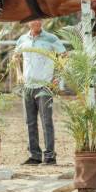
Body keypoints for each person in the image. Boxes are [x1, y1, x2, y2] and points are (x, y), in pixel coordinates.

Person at [13, 20, 66, 165]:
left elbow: (64, 56)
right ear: (28, 22)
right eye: (33, 19)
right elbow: (15, 56)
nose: (37, 22)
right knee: (30, 121)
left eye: (39, 19)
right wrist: (18, 73)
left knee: (46, 121)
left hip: (45, 86)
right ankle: (34, 156)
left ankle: (50, 156)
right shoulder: (22, 39)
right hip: (28, 86)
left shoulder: (51, 38)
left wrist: (57, 77)